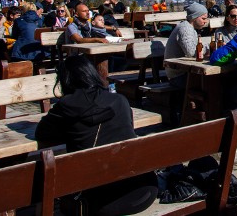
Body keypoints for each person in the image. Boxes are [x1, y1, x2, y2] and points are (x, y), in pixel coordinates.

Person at [35, 55, 158, 215]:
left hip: (103, 201)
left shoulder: (66, 106)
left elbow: (42, 133)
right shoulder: (120, 100)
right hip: (145, 192)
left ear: (65, 80)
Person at [164, 2, 208, 88]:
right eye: (203, 18)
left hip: (181, 73)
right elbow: (191, 52)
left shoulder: (188, 27)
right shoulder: (185, 29)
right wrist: (209, 48)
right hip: (178, 76)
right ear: (195, 17)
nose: (205, 21)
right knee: (212, 81)